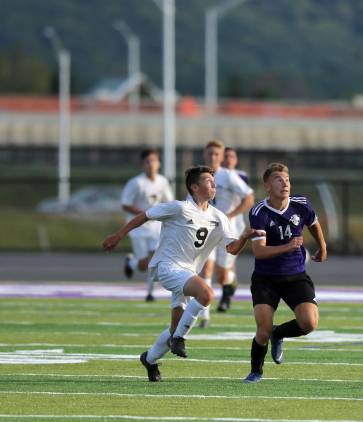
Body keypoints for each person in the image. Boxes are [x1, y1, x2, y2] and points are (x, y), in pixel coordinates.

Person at [103, 166, 259, 382]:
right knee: (206, 294)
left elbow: (231, 249)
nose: (214, 185)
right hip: (167, 266)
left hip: (188, 272)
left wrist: (244, 238)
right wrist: (119, 235)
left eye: (214, 181)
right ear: (195, 187)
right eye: (208, 181)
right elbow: (145, 216)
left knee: (175, 327)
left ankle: (149, 359)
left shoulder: (218, 217)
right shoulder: (179, 208)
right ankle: (180, 339)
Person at [243, 162, 327, 384]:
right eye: (279, 180)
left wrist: (323, 245)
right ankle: (256, 372)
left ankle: (278, 334)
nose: (285, 183)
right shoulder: (259, 212)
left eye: (287, 180)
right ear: (267, 186)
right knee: (262, 329)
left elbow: (314, 224)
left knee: (309, 323)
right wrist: (287, 246)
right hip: (266, 279)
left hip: (295, 275)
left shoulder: (301, 204)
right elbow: (259, 251)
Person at [200, 140, 254, 325]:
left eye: (217, 154)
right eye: (210, 153)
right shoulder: (199, 176)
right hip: (206, 229)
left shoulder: (228, 177)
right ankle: (204, 315)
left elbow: (249, 197)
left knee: (222, 275)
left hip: (228, 231)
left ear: (221, 157)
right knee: (206, 268)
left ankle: (230, 280)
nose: (213, 157)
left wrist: (230, 215)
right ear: (205, 155)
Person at [120, 149, 174, 302]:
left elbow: (169, 202)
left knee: (156, 260)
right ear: (143, 164)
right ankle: (131, 262)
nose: (151, 164)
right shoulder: (136, 183)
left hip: (156, 228)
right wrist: (144, 214)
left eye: (154, 161)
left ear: (159, 164)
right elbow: (125, 204)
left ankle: (150, 293)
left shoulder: (163, 181)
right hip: (138, 228)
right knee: (143, 264)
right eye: (148, 161)